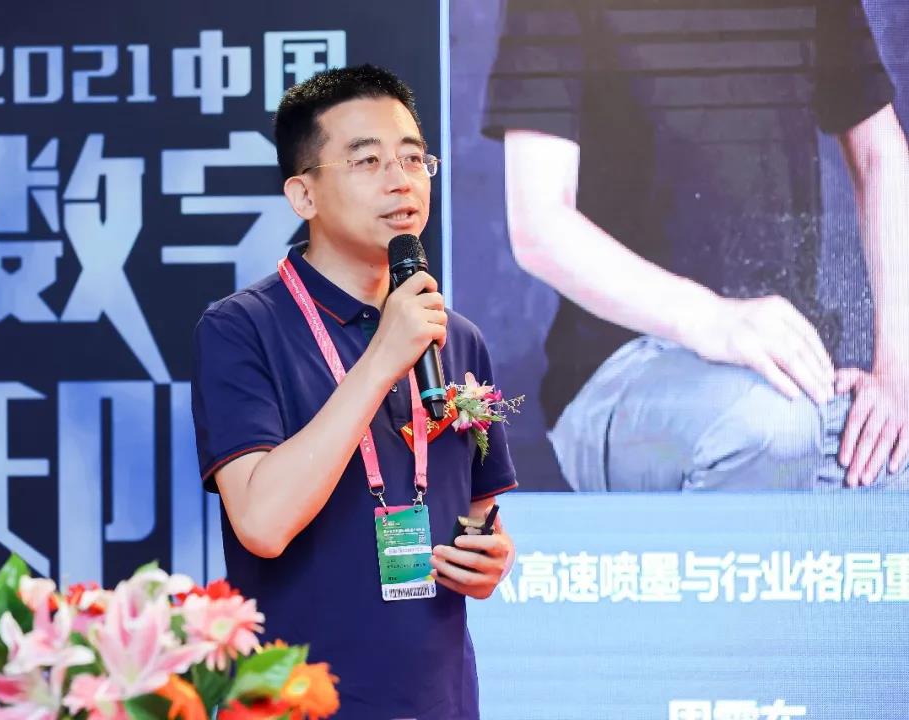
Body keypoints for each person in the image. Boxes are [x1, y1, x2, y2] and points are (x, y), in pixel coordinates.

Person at [192, 65, 518, 719]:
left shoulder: (454, 337)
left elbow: (478, 511)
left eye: (413, 158)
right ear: (303, 195)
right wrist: (381, 360)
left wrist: (491, 555)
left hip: (439, 702)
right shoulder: (240, 329)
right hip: (296, 703)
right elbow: (262, 524)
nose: (401, 180)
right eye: (367, 161)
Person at [483, 0, 909, 491]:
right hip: (624, 369)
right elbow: (539, 226)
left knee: (881, 449)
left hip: (791, 376)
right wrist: (713, 319)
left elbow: (880, 156)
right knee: (770, 428)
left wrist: (896, 371)